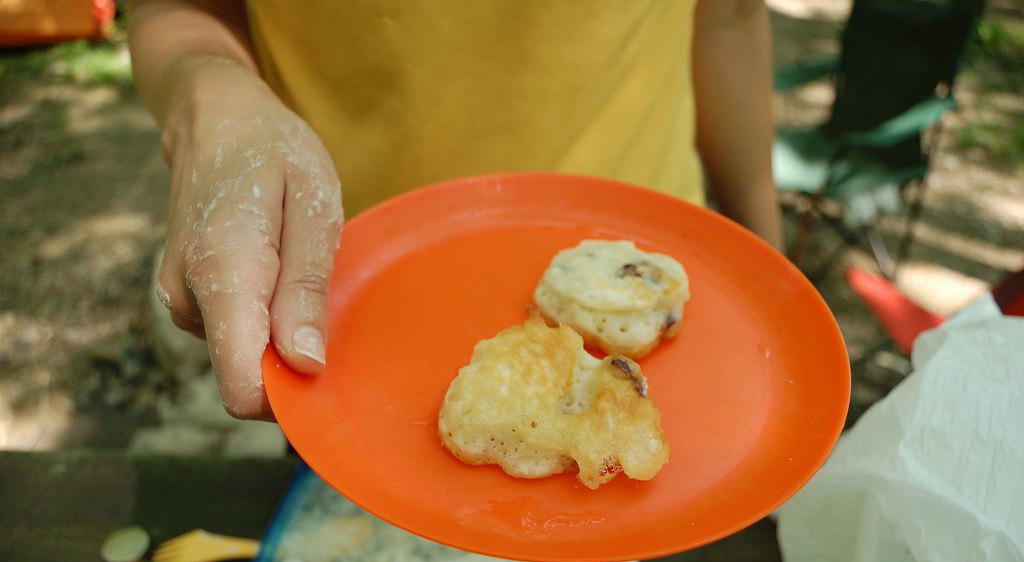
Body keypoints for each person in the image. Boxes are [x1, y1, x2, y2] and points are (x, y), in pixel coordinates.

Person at [127, 0, 782, 421]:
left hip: (656, 283)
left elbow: (726, 16)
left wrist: (768, 261)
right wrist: (207, 90)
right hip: (341, 309)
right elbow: (182, 8)